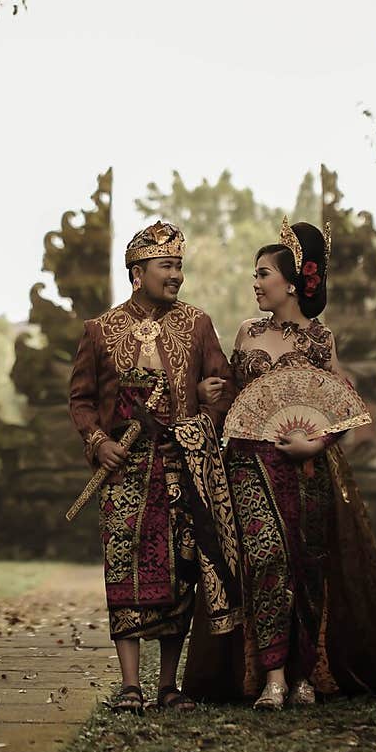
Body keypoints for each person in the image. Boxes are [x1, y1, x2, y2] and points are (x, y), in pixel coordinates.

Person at [184, 218, 376, 708]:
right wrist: (212, 393)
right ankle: (270, 677)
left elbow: (345, 410)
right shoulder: (247, 333)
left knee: (307, 566)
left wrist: (317, 444)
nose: (255, 282)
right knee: (266, 557)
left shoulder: (320, 342)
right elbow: (233, 404)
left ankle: (305, 672)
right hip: (248, 461)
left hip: (305, 468)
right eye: (255, 273)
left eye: (263, 273)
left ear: (291, 281)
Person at [69, 220, 240, 714]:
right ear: (137, 272)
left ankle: (168, 686)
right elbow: (80, 400)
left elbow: (222, 384)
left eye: (180, 266)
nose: (177, 276)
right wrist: (99, 441)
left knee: (179, 574)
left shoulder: (198, 324)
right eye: (168, 266)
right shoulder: (99, 331)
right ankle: (130, 686)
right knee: (123, 570)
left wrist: (203, 419)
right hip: (123, 473)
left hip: (178, 467)